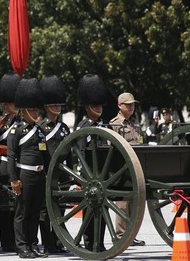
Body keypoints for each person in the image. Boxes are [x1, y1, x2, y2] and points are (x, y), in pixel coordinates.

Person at [8, 78, 48, 259]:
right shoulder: (16, 130)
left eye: (35, 109)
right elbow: (11, 156)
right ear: (24, 110)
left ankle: (32, 243)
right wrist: (14, 179)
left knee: (34, 212)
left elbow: (45, 156)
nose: (34, 112)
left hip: (39, 175)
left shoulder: (40, 131)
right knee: (22, 213)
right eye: (31, 109)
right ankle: (22, 246)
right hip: (24, 174)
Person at [75, 74, 108, 252]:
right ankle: (89, 243)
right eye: (94, 105)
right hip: (89, 175)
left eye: (99, 104)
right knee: (90, 211)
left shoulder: (104, 125)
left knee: (103, 212)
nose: (98, 108)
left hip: (102, 174)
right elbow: (80, 152)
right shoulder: (83, 126)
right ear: (87, 107)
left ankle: (100, 242)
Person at [37, 75, 70, 254]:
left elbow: (71, 152)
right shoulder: (42, 127)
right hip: (48, 172)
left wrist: (71, 172)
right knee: (45, 210)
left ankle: (58, 241)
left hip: (62, 173)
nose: (57, 107)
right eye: (54, 104)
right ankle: (47, 243)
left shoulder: (64, 128)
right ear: (47, 106)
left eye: (59, 104)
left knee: (61, 209)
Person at [110, 92, 145, 247]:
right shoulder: (115, 123)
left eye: (133, 104)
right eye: (128, 104)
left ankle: (131, 235)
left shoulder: (135, 121)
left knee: (134, 202)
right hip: (122, 167)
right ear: (120, 106)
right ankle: (121, 235)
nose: (131, 107)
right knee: (123, 203)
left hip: (137, 165)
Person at [0, 73, 21, 252]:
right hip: (3, 165)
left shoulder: (20, 122)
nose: (10, 106)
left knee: (17, 206)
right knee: (5, 207)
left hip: (17, 165)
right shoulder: (1, 124)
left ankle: (16, 239)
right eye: (8, 103)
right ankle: (6, 241)